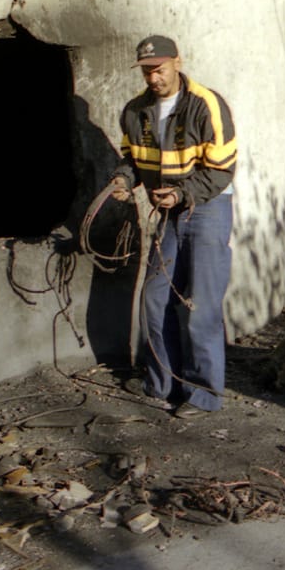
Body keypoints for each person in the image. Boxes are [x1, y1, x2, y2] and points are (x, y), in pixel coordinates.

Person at [110, 34, 237, 419]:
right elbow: (131, 158)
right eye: (147, 71)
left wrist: (182, 194)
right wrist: (122, 180)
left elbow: (222, 168)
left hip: (207, 209)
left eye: (159, 69)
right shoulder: (135, 111)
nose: (153, 78)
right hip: (166, 215)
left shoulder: (206, 105)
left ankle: (202, 394)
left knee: (201, 306)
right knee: (154, 297)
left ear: (177, 63)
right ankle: (161, 381)